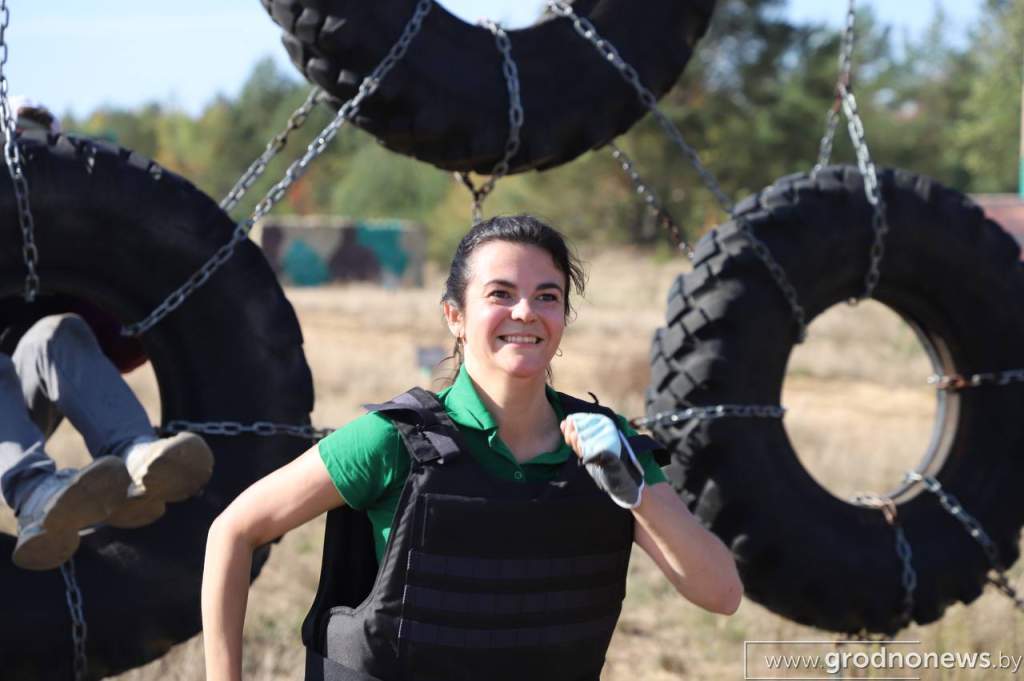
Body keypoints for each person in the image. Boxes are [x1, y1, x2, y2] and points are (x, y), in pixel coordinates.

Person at [202, 215, 742, 681]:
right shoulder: (395, 440)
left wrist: (634, 487)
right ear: (455, 316)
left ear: (563, 319)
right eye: (500, 294)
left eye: (547, 296)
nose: (526, 311)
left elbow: (721, 594)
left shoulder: (608, 446)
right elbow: (234, 530)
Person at [1, 99, 214, 571]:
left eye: (35, 140)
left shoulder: (55, 240)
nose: (24, 150)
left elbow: (113, 342)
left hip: (17, 407)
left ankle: (136, 462)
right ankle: (33, 495)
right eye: (14, 137)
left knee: (58, 332)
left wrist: (156, 285)